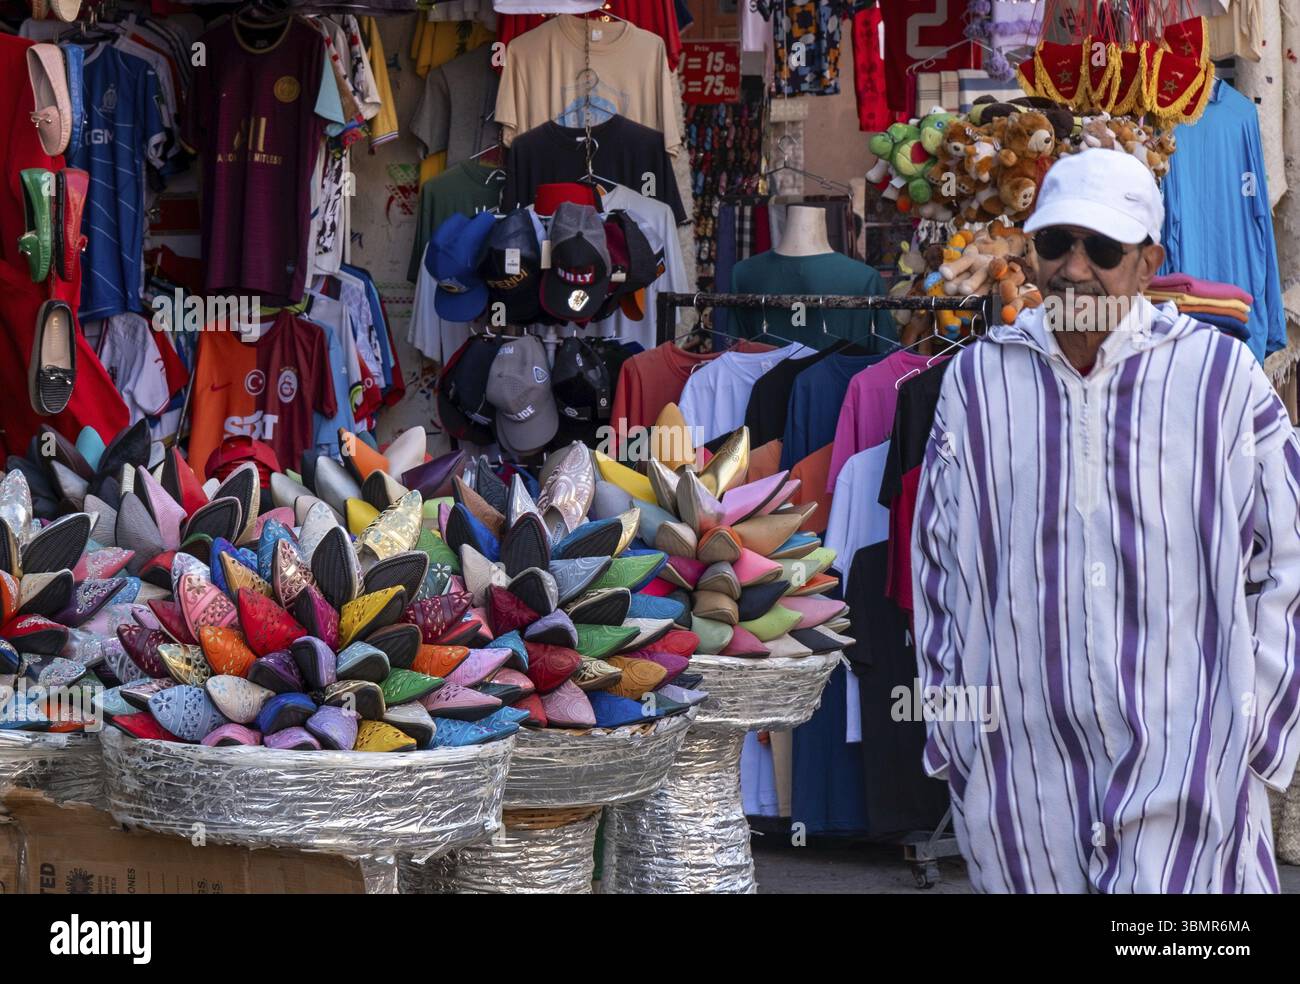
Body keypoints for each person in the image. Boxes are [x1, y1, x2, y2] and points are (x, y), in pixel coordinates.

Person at [912, 149, 1300, 893]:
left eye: (1104, 248)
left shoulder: (1217, 379)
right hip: (1020, 772)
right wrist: (954, 741)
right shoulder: (977, 381)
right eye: (1057, 243)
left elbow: (1286, 557)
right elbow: (937, 569)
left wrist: (1254, 732)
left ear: (1148, 262)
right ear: (1032, 252)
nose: (1075, 269)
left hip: (1186, 762)